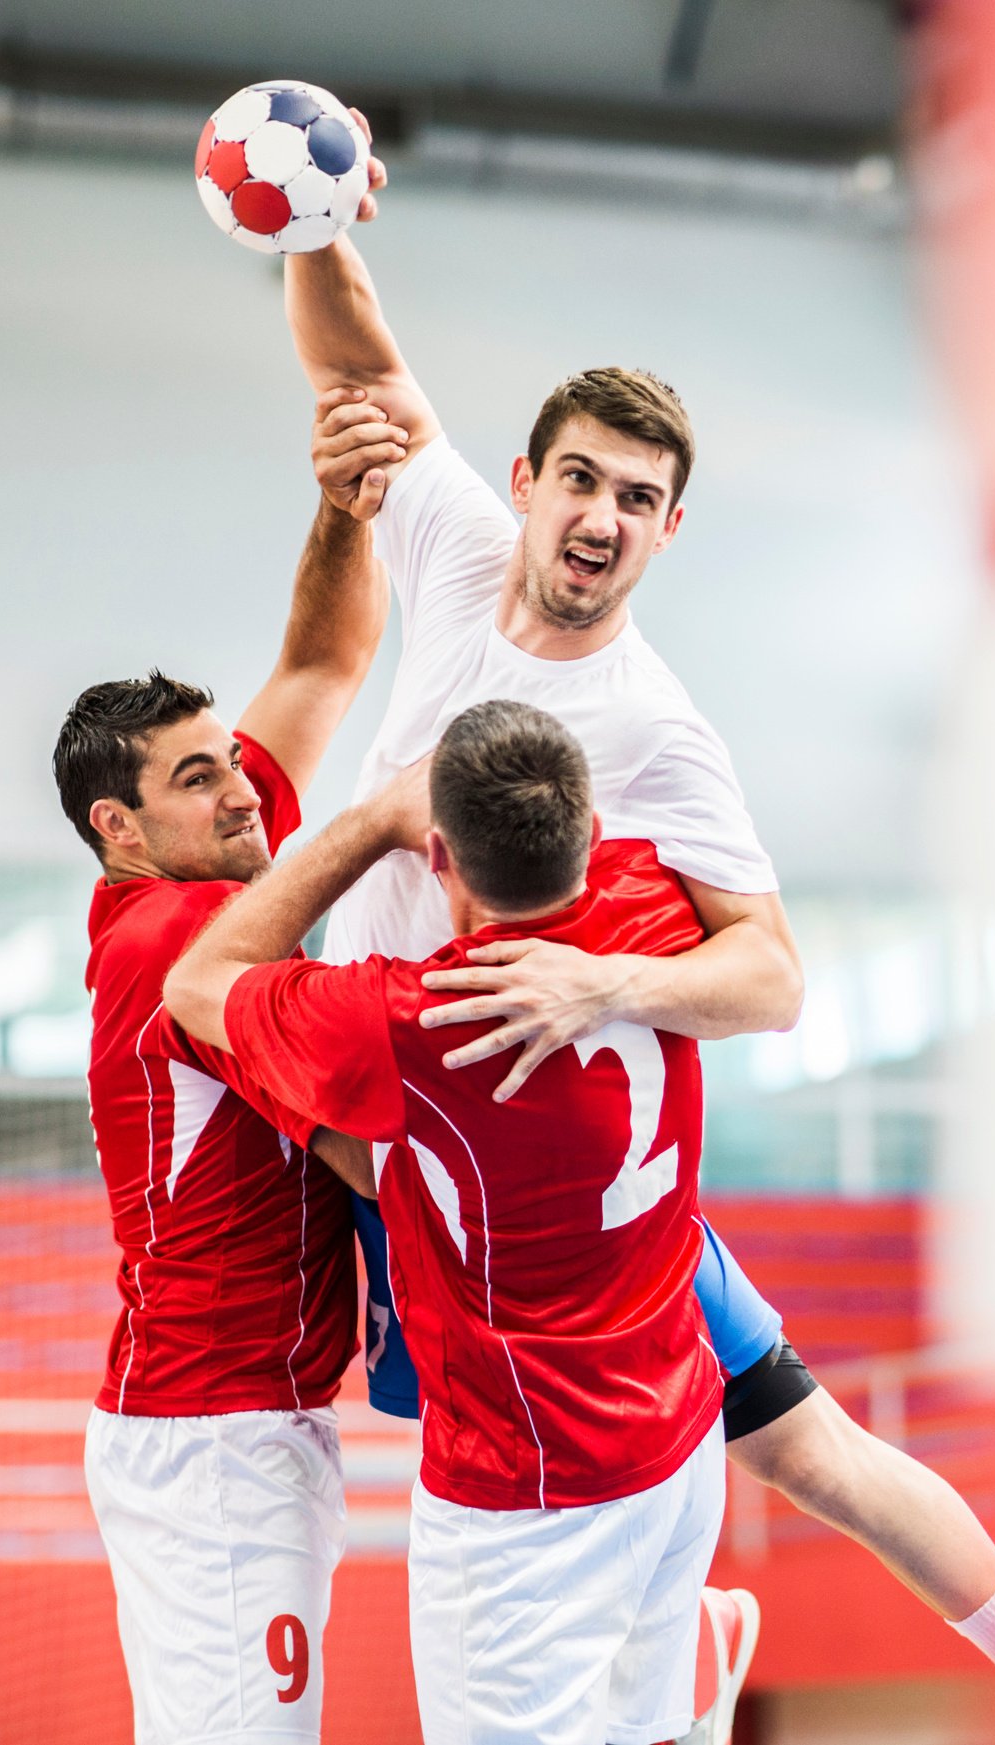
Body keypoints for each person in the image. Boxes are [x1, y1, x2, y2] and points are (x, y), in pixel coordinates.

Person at [282, 120, 995, 1728]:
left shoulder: (655, 727)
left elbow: (771, 973)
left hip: (556, 1171)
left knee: (800, 1450)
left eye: (641, 500)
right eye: (583, 479)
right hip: (411, 1133)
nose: (604, 517)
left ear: (667, 531)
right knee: (562, 1446)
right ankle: (680, 1642)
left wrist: (594, 981)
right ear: (527, 481)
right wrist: (305, 218)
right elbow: (359, 353)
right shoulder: (449, 543)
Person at [164, 701, 728, 1745]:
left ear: (439, 857)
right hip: (682, 1439)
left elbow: (196, 981)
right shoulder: (651, 903)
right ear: (591, 831)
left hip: (527, 1500)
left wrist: (373, 817)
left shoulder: (413, 1019)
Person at [54, 462, 387, 1744]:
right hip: (218, 1442)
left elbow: (319, 667)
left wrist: (348, 498)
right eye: (200, 777)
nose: (243, 788)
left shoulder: (211, 876)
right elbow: (371, 1152)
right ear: (120, 827)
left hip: (229, 1422)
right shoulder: (182, 938)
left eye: (226, 763)